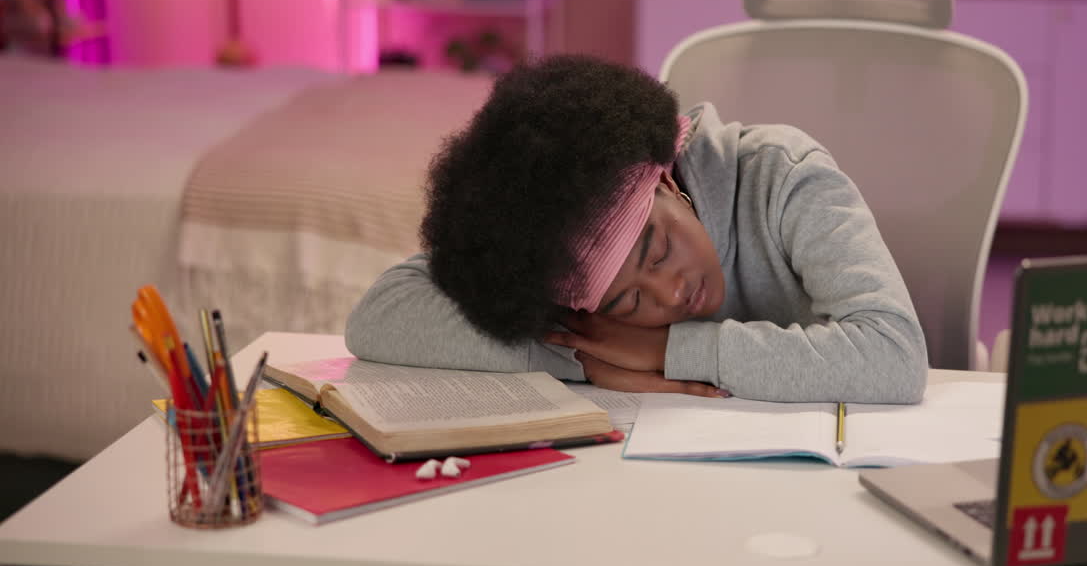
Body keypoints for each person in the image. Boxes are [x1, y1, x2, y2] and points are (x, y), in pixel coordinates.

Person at [345, 54, 927, 403]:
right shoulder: (549, 266)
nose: (671, 292)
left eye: (659, 249)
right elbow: (380, 316)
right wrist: (588, 360)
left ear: (668, 182)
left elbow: (894, 356)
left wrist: (663, 349)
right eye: (627, 301)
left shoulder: (779, 174)